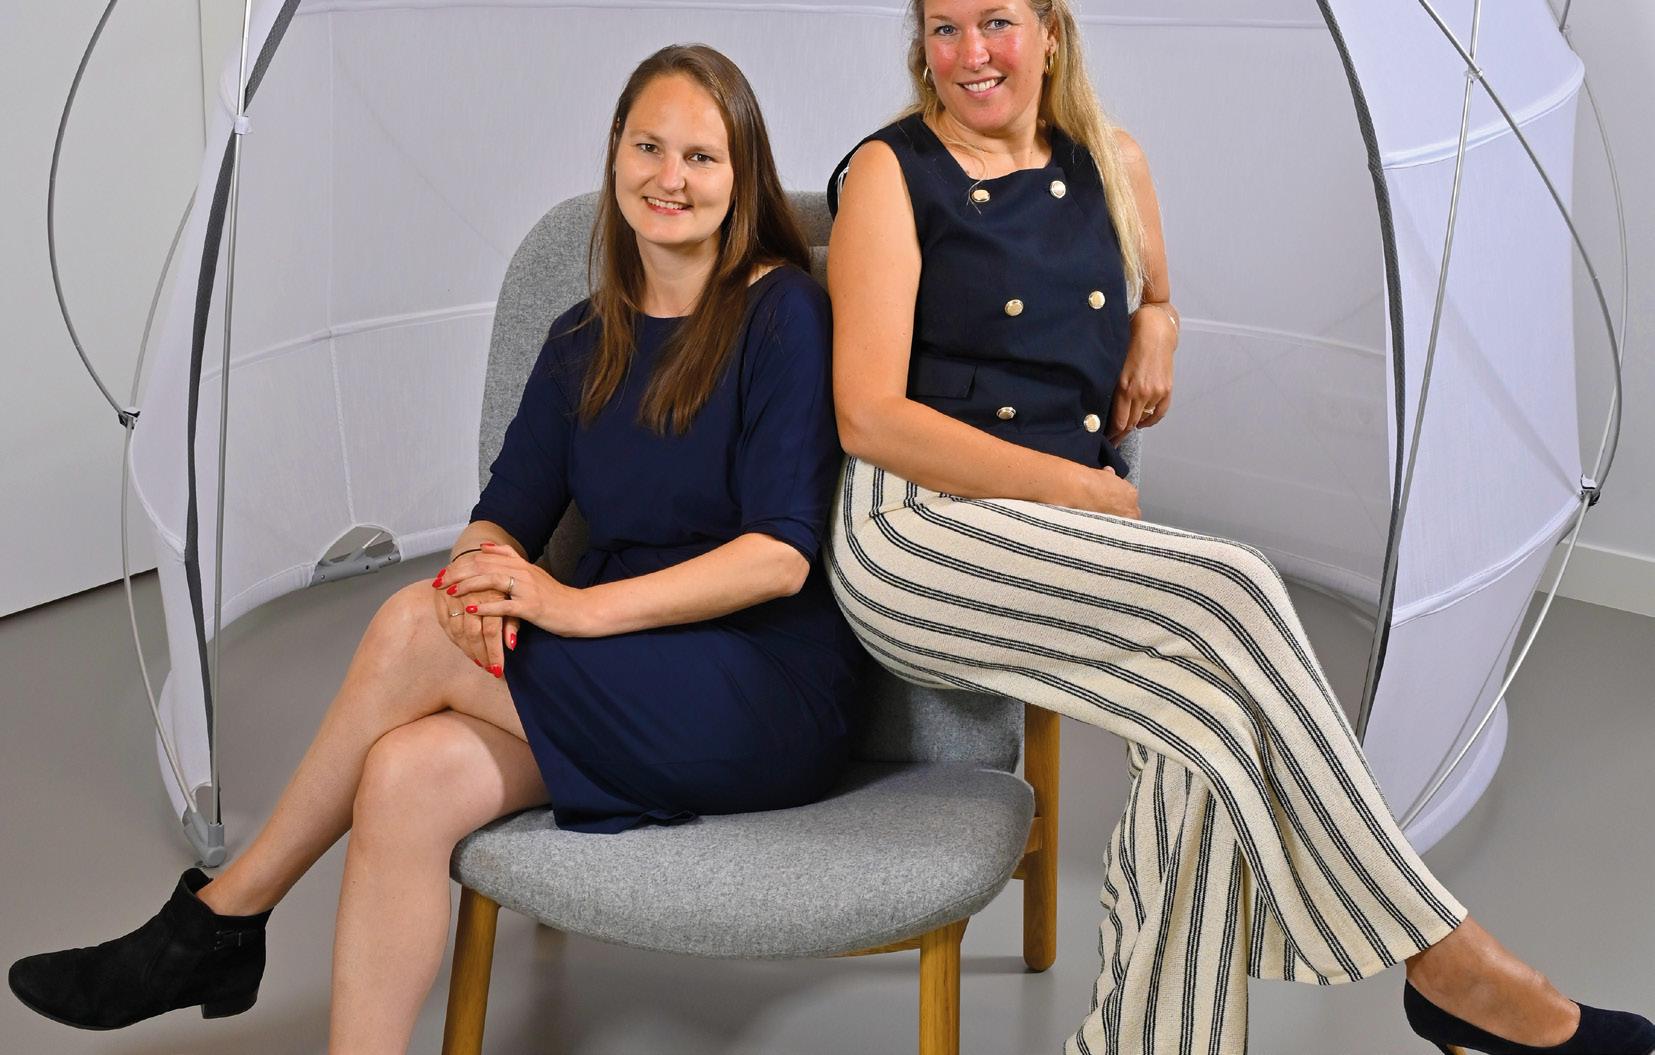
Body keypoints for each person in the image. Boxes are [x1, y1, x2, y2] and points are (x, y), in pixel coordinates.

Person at [822, 2, 1655, 1053]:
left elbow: (1156, 292)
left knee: (1209, 730)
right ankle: (1442, 953)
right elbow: (868, 417)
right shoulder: (889, 174)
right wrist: (1071, 487)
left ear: (1050, 31)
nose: (971, 53)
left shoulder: (1113, 162)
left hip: (1057, 537)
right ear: (919, 46)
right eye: (943, 28)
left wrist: (1158, 322)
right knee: (1236, 583)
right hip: (916, 536)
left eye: (995, 20)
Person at [9, 43, 863, 1052]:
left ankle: (223, 915)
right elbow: (503, 514)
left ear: (742, 175)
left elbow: (777, 556)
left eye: (701, 156)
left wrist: (563, 607)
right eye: (648, 146)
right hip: (623, 672)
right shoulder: (580, 340)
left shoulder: (780, 312)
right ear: (614, 153)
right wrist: (473, 580)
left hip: (761, 685)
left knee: (412, 628)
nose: (668, 177)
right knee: (403, 776)